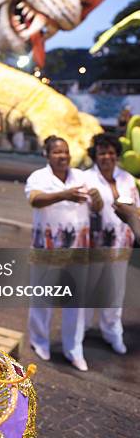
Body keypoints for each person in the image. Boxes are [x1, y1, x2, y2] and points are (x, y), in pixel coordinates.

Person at [25, 136, 102, 372]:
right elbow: (35, 199)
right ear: (47, 155)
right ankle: (39, 341)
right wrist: (64, 195)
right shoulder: (38, 177)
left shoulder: (83, 176)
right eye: (57, 152)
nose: (63, 156)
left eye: (66, 152)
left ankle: (74, 349)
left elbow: (96, 207)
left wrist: (98, 201)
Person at [84, 133, 140, 355]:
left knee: (114, 291)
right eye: (101, 153)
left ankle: (112, 333)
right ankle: (82, 330)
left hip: (122, 243)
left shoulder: (126, 179)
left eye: (110, 152)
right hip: (94, 245)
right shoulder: (86, 178)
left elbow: (136, 209)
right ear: (95, 156)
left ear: (116, 154)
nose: (106, 157)